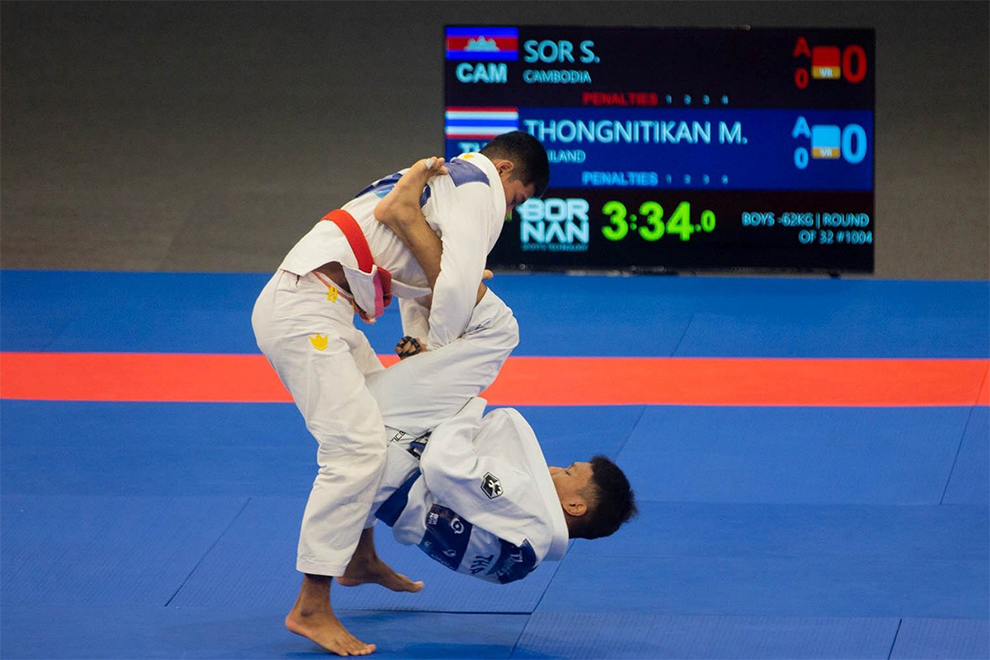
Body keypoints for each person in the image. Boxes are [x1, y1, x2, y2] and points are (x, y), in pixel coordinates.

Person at [251, 131, 550, 656]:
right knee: (356, 451)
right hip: (305, 311)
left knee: (384, 431)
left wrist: (427, 345)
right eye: (517, 199)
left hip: (322, 307)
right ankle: (310, 607)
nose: (509, 213)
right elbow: (453, 287)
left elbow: (423, 290)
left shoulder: (447, 183)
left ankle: (357, 556)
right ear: (504, 170)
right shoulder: (479, 186)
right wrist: (448, 348)